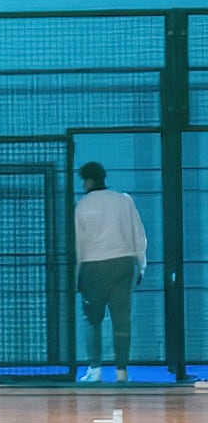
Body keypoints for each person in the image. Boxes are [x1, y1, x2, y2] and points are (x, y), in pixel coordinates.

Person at [74, 161, 145, 385]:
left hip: (93, 265)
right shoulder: (124, 200)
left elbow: (79, 245)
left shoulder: (83, 205)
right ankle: (122, 372)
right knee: (122, 320)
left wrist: (78, 276)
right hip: (124, 263)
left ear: (88, 180)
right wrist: (141, 265)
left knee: (93, 319)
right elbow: (138, 235)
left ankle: (95, 370)